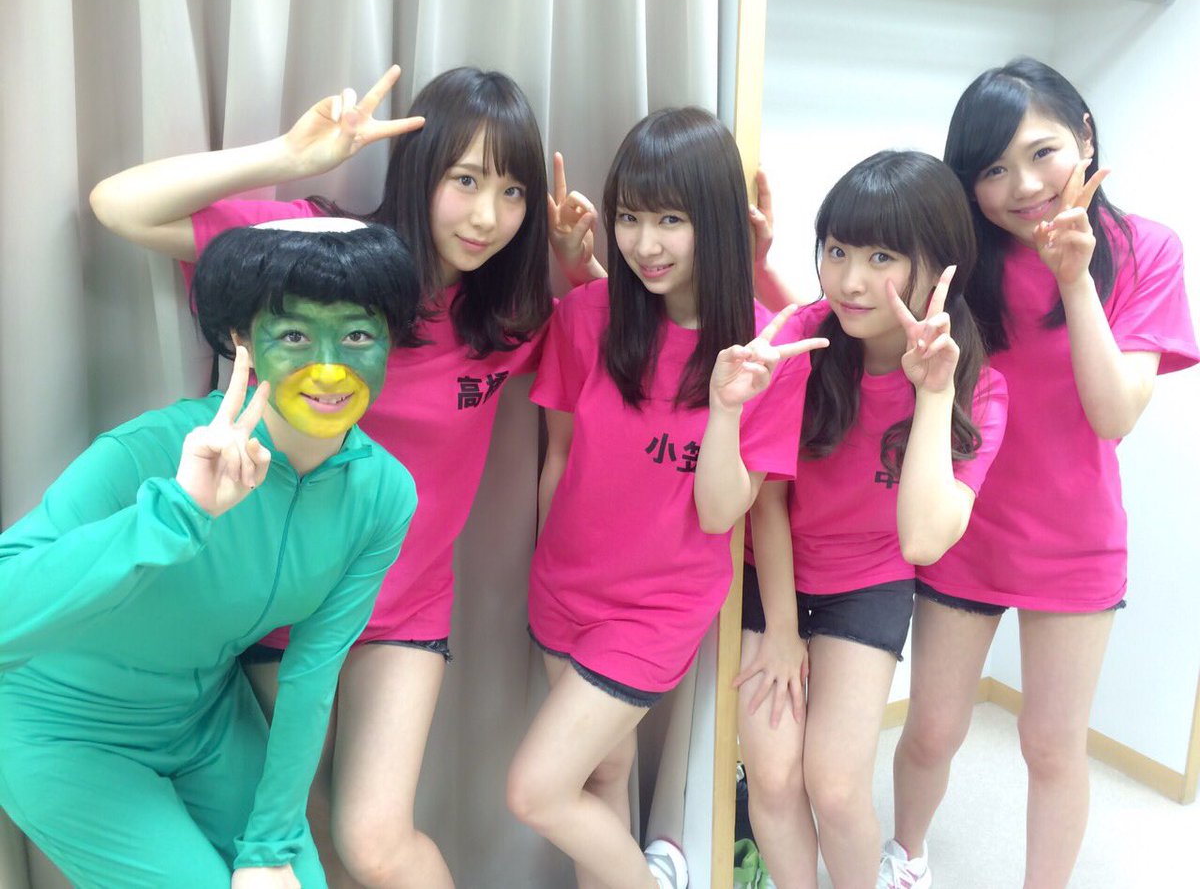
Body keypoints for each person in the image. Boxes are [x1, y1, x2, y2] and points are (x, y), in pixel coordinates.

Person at [90, 65, 552, 888]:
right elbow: (120, 205)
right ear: (421, 172)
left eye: (513, 192)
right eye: (466, 180)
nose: (488, 216)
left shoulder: (508, 318)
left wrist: (584, 269)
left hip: (403, 608)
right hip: (283, 596)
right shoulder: (321, 254)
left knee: (374, 842)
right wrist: (287, 155)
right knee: (297, 834)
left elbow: (623, 367)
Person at [0, 221, 420, 889]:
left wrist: (271, 846)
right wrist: (174, 513)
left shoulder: (383, 493)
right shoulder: (146, 450)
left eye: (358, 335)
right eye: (293, 336)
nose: (329, 366)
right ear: (242, 341)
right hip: (62, 727)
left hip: (205, 725)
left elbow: (312, 674)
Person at [879, 58, 1199, 889]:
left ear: (1085, 137)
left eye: (1042, 153)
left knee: (1052, 746)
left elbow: (1114, 414)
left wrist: (1074, 280)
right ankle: (905, 858)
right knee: (933, 730)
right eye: (992, 169)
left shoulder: (1147, 250)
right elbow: (866, 326)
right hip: (964, 523)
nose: (1022, 187)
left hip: (1075, 541)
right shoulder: (962, 261)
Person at [505, 106, 824, 889]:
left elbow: (722, 514)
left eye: (670, 220)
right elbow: (559, 455)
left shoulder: (768, 354)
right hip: (562, 590)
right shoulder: (587, 317)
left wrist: (724, 408)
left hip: (656, 611)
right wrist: (546, 566)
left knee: (535, 791)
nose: (645, 243)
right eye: (630, 218)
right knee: (601, 777)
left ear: (713, 222)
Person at [702, 151, 1007, 889]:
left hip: (867, 583)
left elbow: (923, 539)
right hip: (770, 574)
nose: (849, 280)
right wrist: (781, 631)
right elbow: (767, 499)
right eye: (837, 251)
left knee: (836, 788)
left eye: (881, 258)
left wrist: (932, 395)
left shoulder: (979, 389)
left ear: (942, 266)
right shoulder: (806, 341)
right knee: (773, 777)